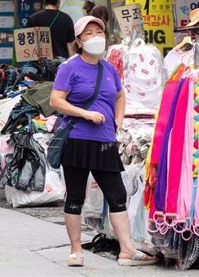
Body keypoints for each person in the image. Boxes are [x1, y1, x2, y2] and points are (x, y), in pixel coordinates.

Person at [50, 16, 157, 268]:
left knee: (117, 194)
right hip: (77, 139)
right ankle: (76, 250)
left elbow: (120, 95)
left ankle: (127, 249)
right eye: (89, 33)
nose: (96, 36)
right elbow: (56, 101)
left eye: (99, 31)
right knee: (75, 196)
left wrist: (118, 119)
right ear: (78, 41)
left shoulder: (108, 68)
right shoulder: (69, 67)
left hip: (105, 140)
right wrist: (85, 113)